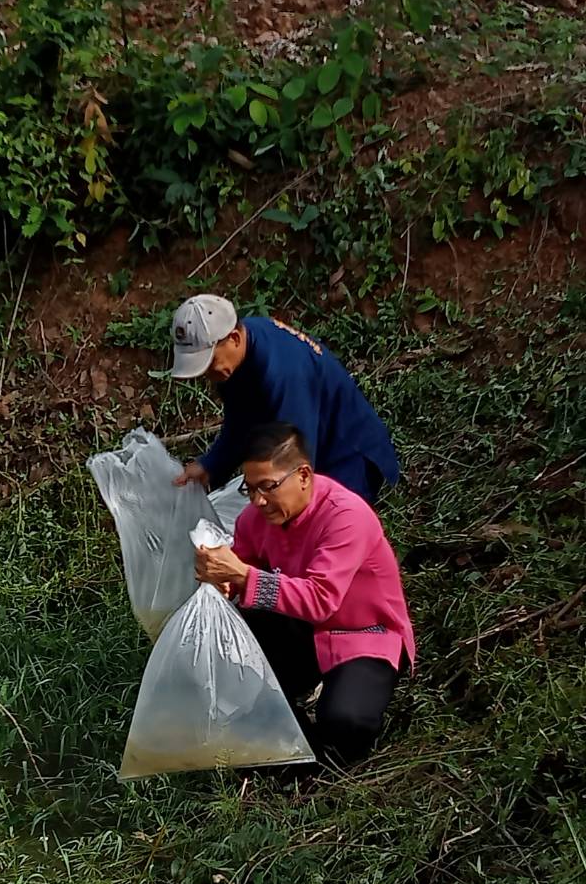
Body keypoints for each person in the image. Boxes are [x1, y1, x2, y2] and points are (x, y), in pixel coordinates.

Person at [193, 422, 416, 770]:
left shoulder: (346, 517)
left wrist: (241, 575)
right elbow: (246, 566)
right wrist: (224, 581)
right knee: (227, 646)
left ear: (303, 475)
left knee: (346, 723)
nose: (258, 500)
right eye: (249, 489)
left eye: (268, 487)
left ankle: (321, 751)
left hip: (363, 635)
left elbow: (321, 599)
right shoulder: (254, 519)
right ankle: (288, 737)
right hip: (301, 627)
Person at [168, 294, 400, 503]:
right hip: (308, 444)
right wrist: (210, 466)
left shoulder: (283, 372)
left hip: (348, 453)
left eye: (210, 362)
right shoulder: (236, 360)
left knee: (327, 526)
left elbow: (295, 458)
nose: (209, 373)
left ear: (234, 338)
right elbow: (240, 423)